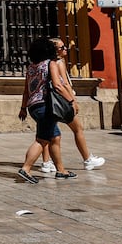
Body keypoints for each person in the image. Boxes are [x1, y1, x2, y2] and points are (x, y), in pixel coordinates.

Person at [37, 38, 105, 174]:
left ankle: (46, 163)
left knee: (47, 132)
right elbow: (65, 84)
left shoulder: (42, 64)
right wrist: (72, 100)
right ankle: (87, 159)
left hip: (47, 102)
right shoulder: (58, 63)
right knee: (77, 129)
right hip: (62, 101)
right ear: (55, 50)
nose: (65, 49)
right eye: (62, 48)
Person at [16, 36, 76, 183]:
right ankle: (26, 169)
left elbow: (26, 90)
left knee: (55, 136)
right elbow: (57, 85)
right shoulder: (51, 64)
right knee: (42, 140)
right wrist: (71, 101)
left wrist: (23, 108)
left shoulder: (31, 67)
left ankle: (61, 170)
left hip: (33, 106)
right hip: (46, 106)